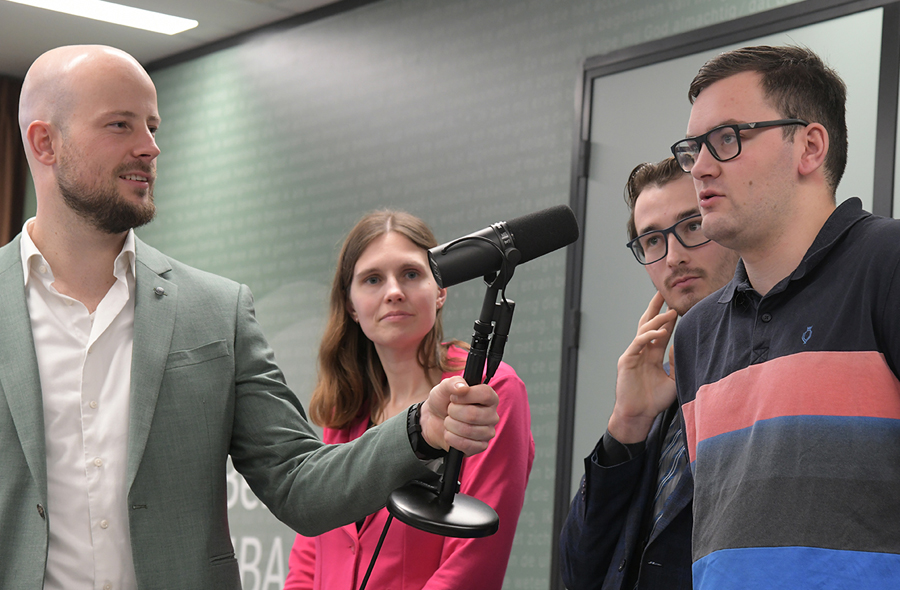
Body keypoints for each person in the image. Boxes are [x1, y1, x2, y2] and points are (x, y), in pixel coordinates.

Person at [0, 44, 501, 590]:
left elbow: (298, 483)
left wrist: (421, 431)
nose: (150, 147)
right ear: (44, 143)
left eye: (152, 125)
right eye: (120, 124)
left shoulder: (216, 311)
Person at [670, 45, 900, 588]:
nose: (699, 167)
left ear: (810, 146)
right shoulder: (695, 334)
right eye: (692, 148)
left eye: (727, 139)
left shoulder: (887, 264)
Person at [283, 210, 535, 590]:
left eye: (411, 274)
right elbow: (310, 549)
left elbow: (473, 566)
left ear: (441, 290)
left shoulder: (487, 391)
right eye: (372, 279)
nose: (394, 291)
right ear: (351, 305)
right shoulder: (344, 408)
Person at [559, 157, 739, 590]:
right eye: (652, 241)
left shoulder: (768, 363)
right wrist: (627, 425)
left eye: (692, 226)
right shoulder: (663, 383)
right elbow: (578, 571)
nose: (673, 257)